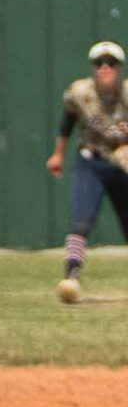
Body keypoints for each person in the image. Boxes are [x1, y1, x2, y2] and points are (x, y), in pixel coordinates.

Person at [46, 40, 128, 304]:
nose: (105, 68)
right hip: (90, 163)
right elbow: (67, 122)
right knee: (81, 220)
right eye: (99, 63)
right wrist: (58, 154)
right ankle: (71, 277)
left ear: (119, 68)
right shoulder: (81, 93)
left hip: (122, 167)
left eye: (111, 63)